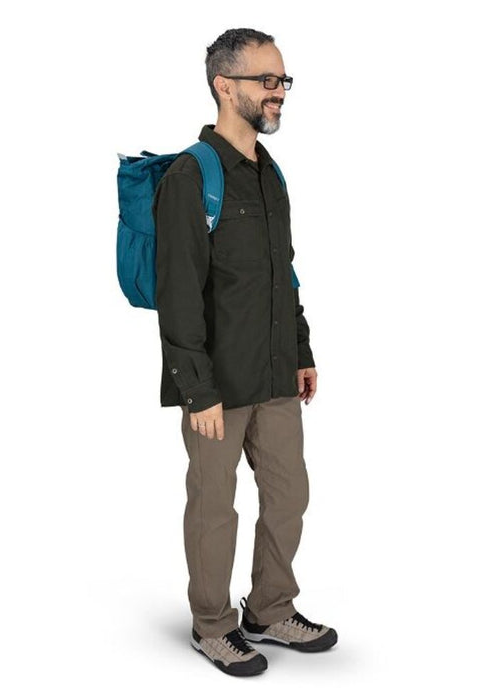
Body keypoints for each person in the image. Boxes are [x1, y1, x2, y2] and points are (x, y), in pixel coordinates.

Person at [152, 28, 338, 677]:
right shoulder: (190, 177)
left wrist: (301, 349)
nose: (278, 91)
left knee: (289, 495)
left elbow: (284, 272)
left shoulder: (269, 174)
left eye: (282, 80)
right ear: (224, 86)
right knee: (214, 507)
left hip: (275, 371)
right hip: (218, 384)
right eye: (266, 80)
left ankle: (269, 608)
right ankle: (212, 625)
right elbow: (177, 294)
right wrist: (196, 389)